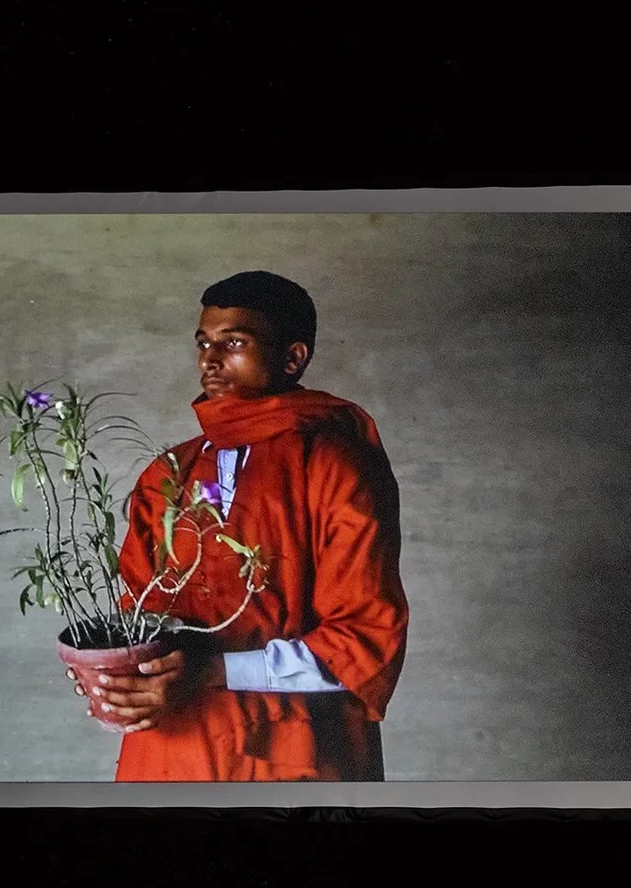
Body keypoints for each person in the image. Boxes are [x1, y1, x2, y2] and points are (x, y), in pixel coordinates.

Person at [74, 271, 407, 781]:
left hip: (297, 752)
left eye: (233, 342)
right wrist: (116, 671)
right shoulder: (168, 472)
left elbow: (364, 640)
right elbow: (140, 612)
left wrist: (210, 671)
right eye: (203, 343)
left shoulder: (335, 464)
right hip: (175, 748)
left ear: (292, 358)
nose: (210, 359)